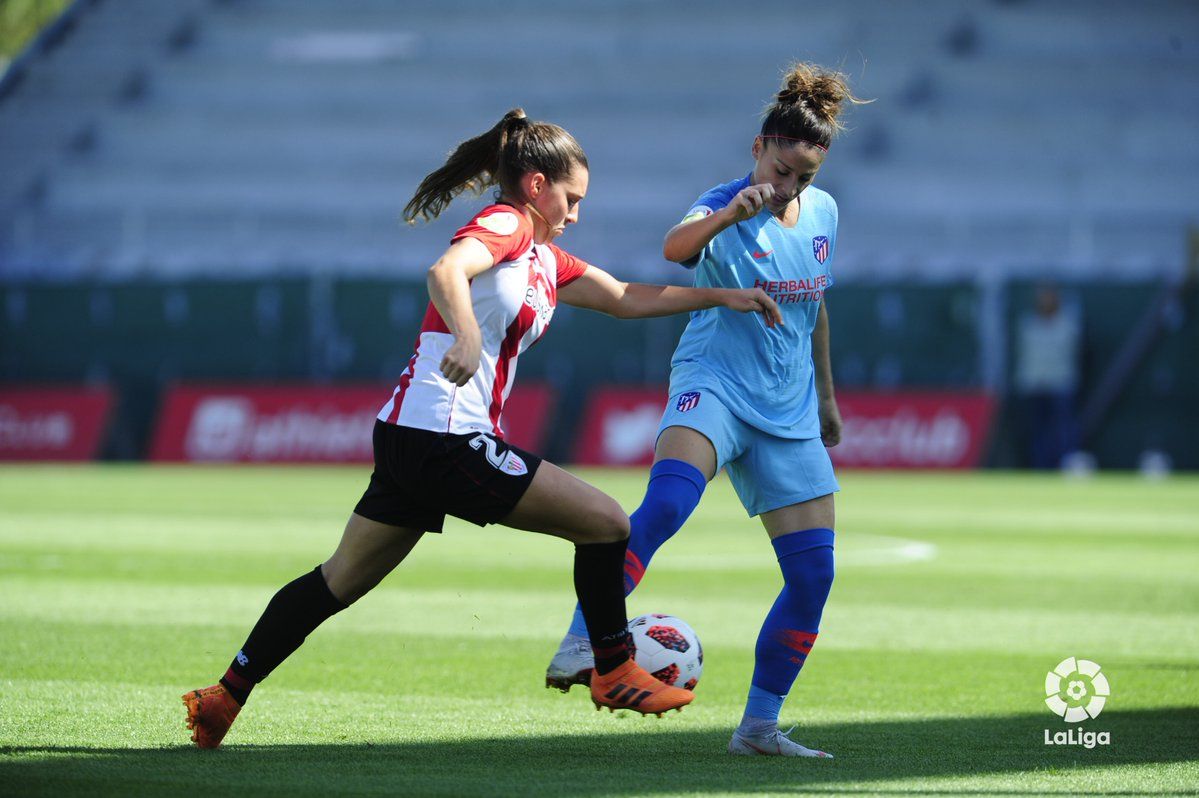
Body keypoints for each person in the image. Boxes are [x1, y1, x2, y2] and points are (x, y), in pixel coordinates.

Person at [181, 108, 784, 749]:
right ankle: (613, 669)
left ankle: (224, 697)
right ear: (534, 186)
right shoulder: (507, 225)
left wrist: (722, 296)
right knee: (608, 524)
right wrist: (466, 334)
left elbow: (624, 297)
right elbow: (446, 272)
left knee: (338, 580)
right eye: (570, 198)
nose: (575, 213)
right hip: (444, 436)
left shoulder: (545, 257)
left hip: (409, 434)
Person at [546, 63, 867, 758]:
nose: (790, 188)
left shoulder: (824, 214)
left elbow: (815, 308)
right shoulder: (722, 201)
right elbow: (673, 249)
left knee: (813, 576)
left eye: (804, 178)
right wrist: (729, 214)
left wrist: (828, 397)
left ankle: (757, 728)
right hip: (714, 383)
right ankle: (581, 640)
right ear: (758, 149)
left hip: (787, 409)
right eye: (782, 170)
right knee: (665, 505)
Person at [1014, 283, 1081, 469]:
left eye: (1049, 297)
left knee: (1064, 428)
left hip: (1060, 384)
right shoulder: (1028, 324)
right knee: (1038, 430)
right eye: (1042, 297)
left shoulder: (1067, 324)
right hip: (1034, 385)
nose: (1045, 301)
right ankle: (1040, 466)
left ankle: (1067, 464)